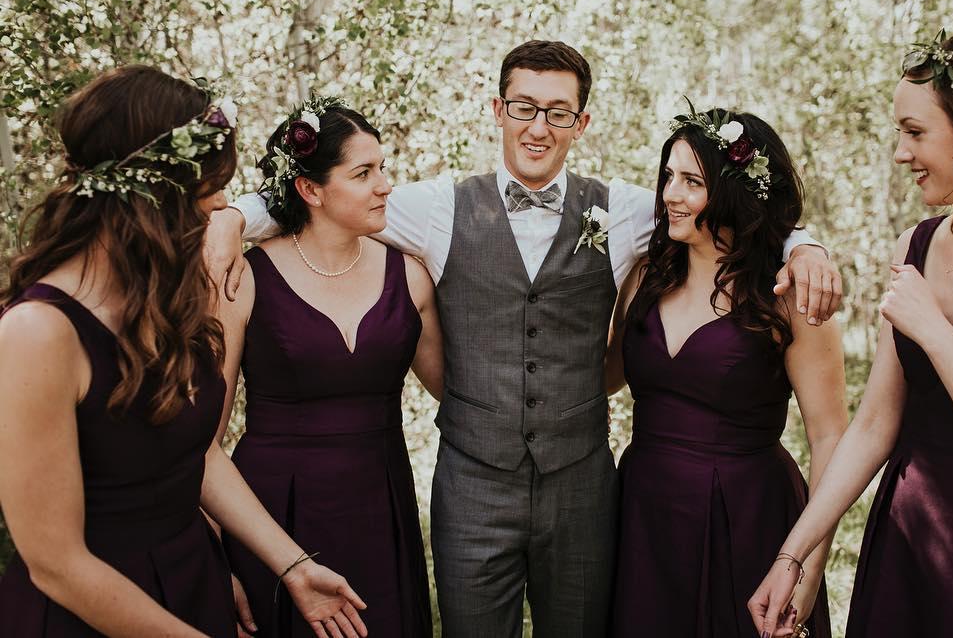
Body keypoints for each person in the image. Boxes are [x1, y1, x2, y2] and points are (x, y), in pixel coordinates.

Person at [210, 41, 843, 638]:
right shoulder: (435, 208)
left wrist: (803, 244)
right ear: (497, 110)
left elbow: (731, 210)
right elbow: (325, 199)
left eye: (558, 112)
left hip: (583, 488)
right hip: (472, 488)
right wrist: (235, 217)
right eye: (523, 107)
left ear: (581, 123)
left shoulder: (625, 210)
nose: (539, 127)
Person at [0, 66, 368, 638]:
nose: (222, 204)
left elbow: (191, 452)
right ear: (152, 194)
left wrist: (293, 565)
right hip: (95, 612)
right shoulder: (37, 332)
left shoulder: (166, 297)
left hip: (192, 577)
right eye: (209, 187)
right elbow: (57, 564)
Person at [749, 30, 953, 638]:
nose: (901, 153)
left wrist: (937, 335)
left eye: (915, 131)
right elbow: (875, 425)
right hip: (907, 550)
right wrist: (792, 556)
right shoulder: (916, 246)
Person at [605, 103, 847, 637]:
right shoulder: (645, 275)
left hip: (747, 514)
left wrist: (806, 568)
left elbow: (830, 436)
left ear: (736, 192)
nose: (670, 194)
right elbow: (605, 377)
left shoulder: (789, 295)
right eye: (668, 176)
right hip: (643, 510)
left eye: (692, 181)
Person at [216, 94, 442, 637]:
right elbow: (202, 441)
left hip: (381, 507)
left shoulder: (411, 276)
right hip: (274, 515)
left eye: (382, 168)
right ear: (311, 190)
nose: (385, 185)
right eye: (363, 173)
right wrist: (217, 560)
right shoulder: (242, 278)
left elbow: (459, 392)